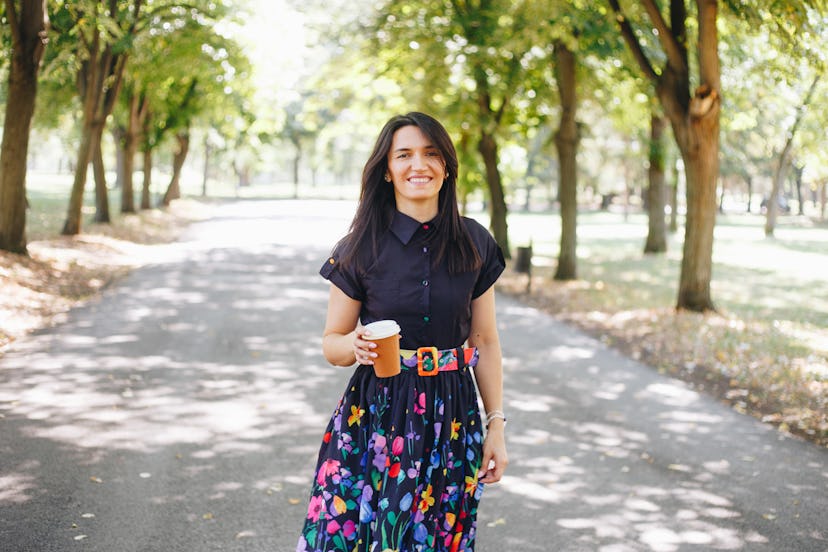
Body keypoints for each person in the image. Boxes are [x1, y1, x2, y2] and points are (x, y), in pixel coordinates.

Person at [296, 112, 507, 552]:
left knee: (439, 538)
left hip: (454, 415)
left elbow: (483, 341)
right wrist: (352, 344)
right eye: (404, 155)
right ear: (387, 170)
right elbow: (332, 343)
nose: (419, 165)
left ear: (446, 166)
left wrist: (496, 426)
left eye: (431, 154)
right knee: (371, 535)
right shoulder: (359, 247)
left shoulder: (475, 242)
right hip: (379, 412)